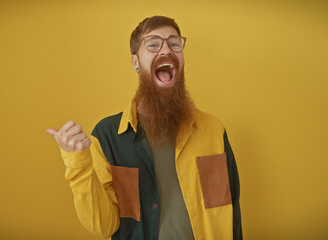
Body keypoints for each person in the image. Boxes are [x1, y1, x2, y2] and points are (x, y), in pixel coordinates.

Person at [47, 15, 243, 240]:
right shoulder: (107, 136)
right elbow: (103, 226)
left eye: (174, 43)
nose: (166, 50)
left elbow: (231, 214)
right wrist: (77, 163)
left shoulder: (213, 130)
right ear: (135, 62)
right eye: (153, 44)